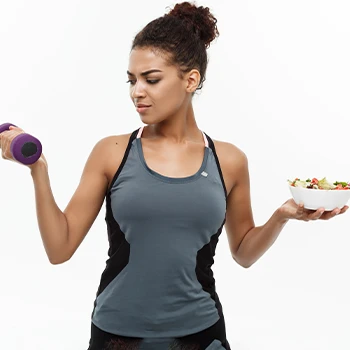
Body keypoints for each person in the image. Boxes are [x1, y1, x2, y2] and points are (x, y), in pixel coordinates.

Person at [0, 2, 348, 350]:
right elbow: (59, 249)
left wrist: (281, 216)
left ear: (190, 79)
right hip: (117, 334)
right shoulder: (112, 152)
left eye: (151, 79)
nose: (137, 91)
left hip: (200, 335)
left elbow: (243, 253)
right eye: (132, 80)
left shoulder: (228, 160)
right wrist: (38, 170)